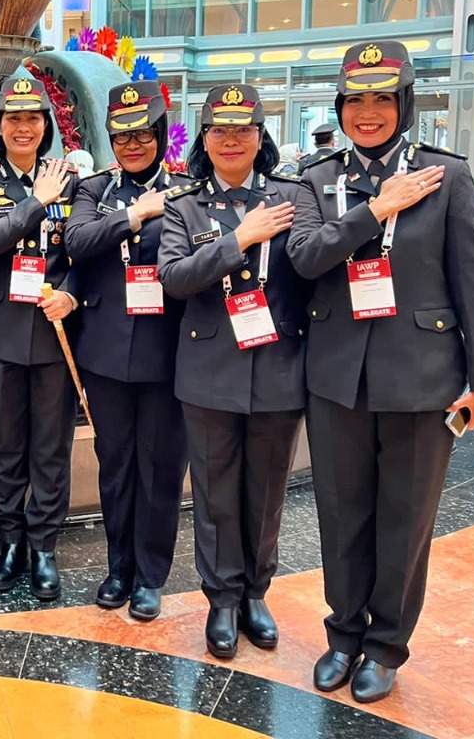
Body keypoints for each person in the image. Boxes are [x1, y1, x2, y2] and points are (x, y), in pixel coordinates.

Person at [286, 40, 474, 703]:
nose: (368, 112)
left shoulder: (446, 177)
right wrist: (375, 210)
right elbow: (306, 258)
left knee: (404, 519)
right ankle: (343, 634)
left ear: (404, 104)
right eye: (356, 99)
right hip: (337, 378)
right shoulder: (316, 179)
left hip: (421, 375)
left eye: (383, 98)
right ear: (339, 107)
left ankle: (385, 646)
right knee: (341, 514)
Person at [158, 84, 308, 661]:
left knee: (266, 492)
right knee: (216, 490)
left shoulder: (293, 196)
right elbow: (175, 277)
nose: (230, 140)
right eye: (218, 130)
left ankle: (255, 593)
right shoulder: (185, 205)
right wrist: (240, 239)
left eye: (243, 129)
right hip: (209, 368)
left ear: (260, 136)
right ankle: (221, 598)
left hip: (278, 364)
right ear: (204, 138)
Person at [63, 82, 187, 621]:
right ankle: (118, 568)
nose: (132, 145)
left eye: (142, 134)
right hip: (106, 349)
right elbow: (77, 241)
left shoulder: (186, 190)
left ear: (159, 133)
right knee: (115, 464)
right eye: (121, 137)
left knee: (160, 468)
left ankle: (151, 576)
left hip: (166, 350)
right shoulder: (94, 191)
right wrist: (136, 214)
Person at [0, 76, 79, 601]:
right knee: (7, 446)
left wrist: (71, 294)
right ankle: (10, 542)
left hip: (55, 332)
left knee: (51, 447)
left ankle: (44, 546)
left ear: (45, 126)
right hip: (1, 333)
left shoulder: (71, 181)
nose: (24, 127)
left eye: (33, 118)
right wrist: (35, 201)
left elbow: (83, 253)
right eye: (14, 118)